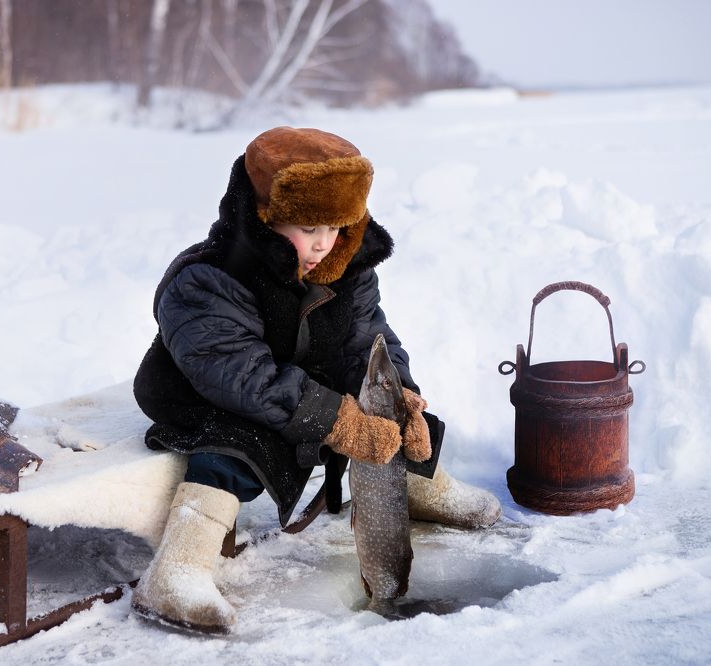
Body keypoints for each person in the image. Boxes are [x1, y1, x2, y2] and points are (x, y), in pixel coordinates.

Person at [131, 126, 501, 631]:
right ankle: (177, 569)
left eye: (336, 226)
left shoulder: (343, 261)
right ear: (266, 218)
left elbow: (368, 339)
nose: (325, 243)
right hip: (211, 394)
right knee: (238, 448)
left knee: (388, 409)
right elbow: (241, 374)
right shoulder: (210, 277)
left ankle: (415, 488)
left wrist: (403, 397)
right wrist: (334, 418)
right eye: (308, 228)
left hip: (295, 382)